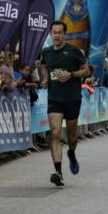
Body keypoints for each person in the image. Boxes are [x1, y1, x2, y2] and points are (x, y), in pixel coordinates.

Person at [39, 21, 89, 186]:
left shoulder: (74, 51)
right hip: (55, 98)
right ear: (51, 34)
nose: (57, 35)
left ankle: (72, 152)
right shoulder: (46, 52)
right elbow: (43, 66)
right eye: (54, 32)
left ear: (65, 34)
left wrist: (72, 75)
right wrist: (45, 78)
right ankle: (58, 172)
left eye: (60, 32)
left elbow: (87, 70)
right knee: (55, 133)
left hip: (73, 98)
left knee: (72, 137)